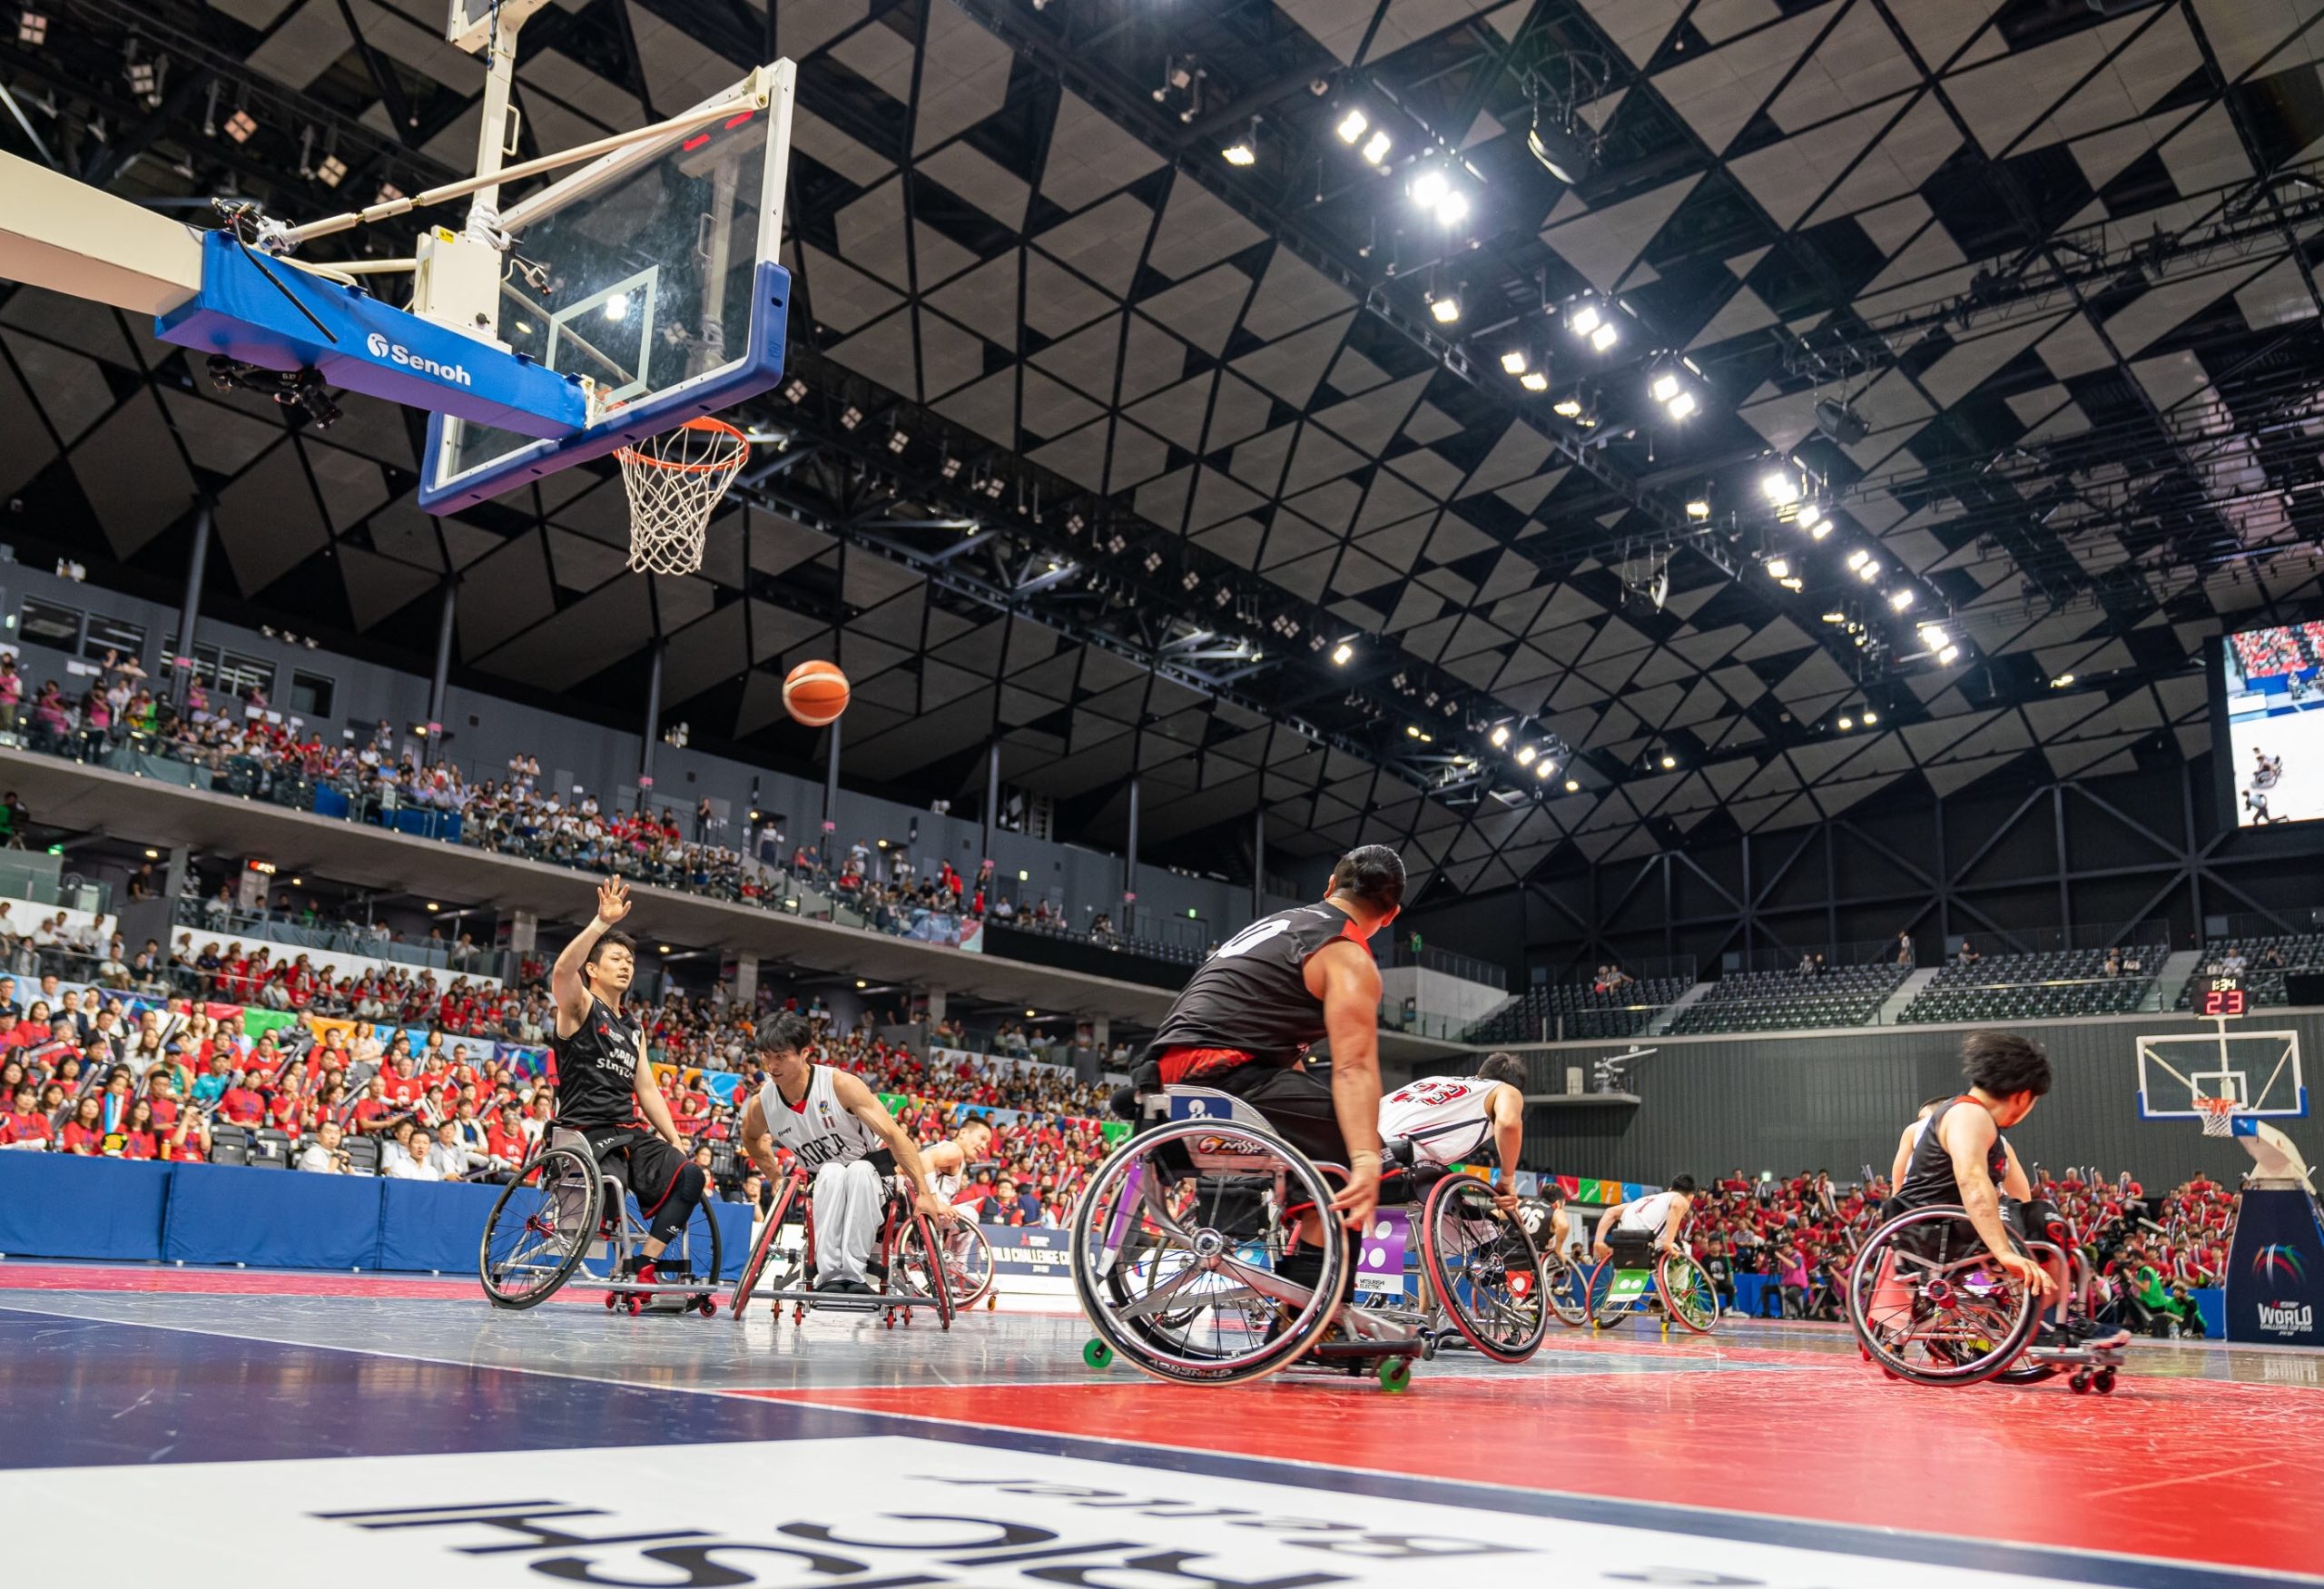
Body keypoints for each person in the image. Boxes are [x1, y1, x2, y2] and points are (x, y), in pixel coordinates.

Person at [1131, 845, 1405, 1301]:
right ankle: (1311, 1315)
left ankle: (1299, 1285)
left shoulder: (1281, 925)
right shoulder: (1347, 955)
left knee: (1322, 1128)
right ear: (1391, 915)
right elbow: (1355, 1068)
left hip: (1164, 1074)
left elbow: (1271, 1049)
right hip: (1221, 1073)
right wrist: (1365, 1160)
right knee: (1357, 1156)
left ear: (1330, 888)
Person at [549, 878, 709, 1287]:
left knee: (690, 1175)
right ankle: (614, 1249)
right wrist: (601, 924)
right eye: (616, 959)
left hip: (627, 1133)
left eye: (630, 962)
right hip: (584, 1130)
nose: (625, 966)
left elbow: (648, 1090)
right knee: (613, 1185)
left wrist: (673, 1137)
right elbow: (562, 971)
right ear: (593, 969)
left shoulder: (632, 1028)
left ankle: (645, 1265)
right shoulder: (580, 1006)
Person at [734, 1011, 953, 1295]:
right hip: (822, 1186)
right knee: (831, 1171)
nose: (771, 1065)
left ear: (804, 1054)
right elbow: (750, 1138)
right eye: (766, 1056)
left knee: (858, 1171)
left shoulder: (840, 1085)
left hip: (873, 1180)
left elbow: (894, 1135)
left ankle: (853, 1275)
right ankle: (830, 1277)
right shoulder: (762, 1103)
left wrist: (924, 1192)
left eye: (781, 1056)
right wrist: (774, 1176)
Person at [1376, 1051, 1528, 1208]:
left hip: (1364, 1147)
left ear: (1479, 1073)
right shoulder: (1505, 1089)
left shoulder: (1435, 1080)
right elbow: (1509, 1124)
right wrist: (1507, 1179)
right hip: (1401, 1155)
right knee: (1482, 1229)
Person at [1592, 1174, 1697, 1268]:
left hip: (1621, 1245)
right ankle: (1678, 1288)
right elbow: (1676, 1205)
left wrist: (1598, 1242)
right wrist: (1668, 1242)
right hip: (1646, 1244)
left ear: (1669, 1189)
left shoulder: (1643, 1201)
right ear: (1691, 1197)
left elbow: (1610, 1212)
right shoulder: (1680, 1199)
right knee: (1685, 1249)